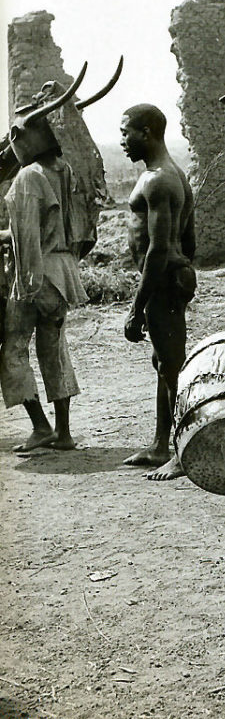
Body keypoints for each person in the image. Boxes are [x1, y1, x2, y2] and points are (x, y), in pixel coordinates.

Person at [0, 80, 89, 452]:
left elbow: (25, 237)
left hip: (36, 275)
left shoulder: (27, 177)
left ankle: (39, 426)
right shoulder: (62, 169)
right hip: (63, 273)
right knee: (54, 351)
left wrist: (25, 282)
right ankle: (64, 432)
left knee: (13, 350)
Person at [120, 104, 196, 482]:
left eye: (126, 132)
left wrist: (138, 306)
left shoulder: (157, 181)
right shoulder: (174, 175)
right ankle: (160, 445)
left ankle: (182, 451)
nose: (122, 141)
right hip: (170, 280)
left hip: (162, 281)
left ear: (146, 132)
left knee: (172, 367)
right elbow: (191, 240)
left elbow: (159, 248)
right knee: (164, 363)